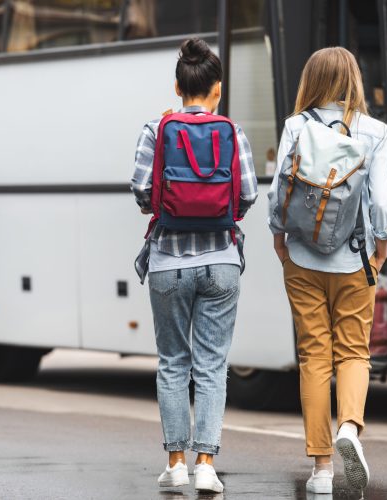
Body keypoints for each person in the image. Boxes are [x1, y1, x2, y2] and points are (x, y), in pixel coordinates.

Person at [131, 38, 258, 493]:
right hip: (221, 261)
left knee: (172, 363)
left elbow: (142, 191)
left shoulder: (156, 128)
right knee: (211, 364)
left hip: (168, 261)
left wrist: (173, 209)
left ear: (177, 86)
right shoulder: (233, 132)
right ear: (217, 89)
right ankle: (207, 462)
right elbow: (246, 197)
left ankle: (176, 462)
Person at [268, 47, 387, 494]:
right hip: (356, 260)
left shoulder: (295, 126)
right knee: (354, 352)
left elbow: (280, 187)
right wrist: (380, 252)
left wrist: (280, 241)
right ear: (354, 80)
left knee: (314, 358)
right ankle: (350, 430)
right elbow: (381, 202)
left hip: (302, 259)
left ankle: (321, 471)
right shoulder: (375, 131)